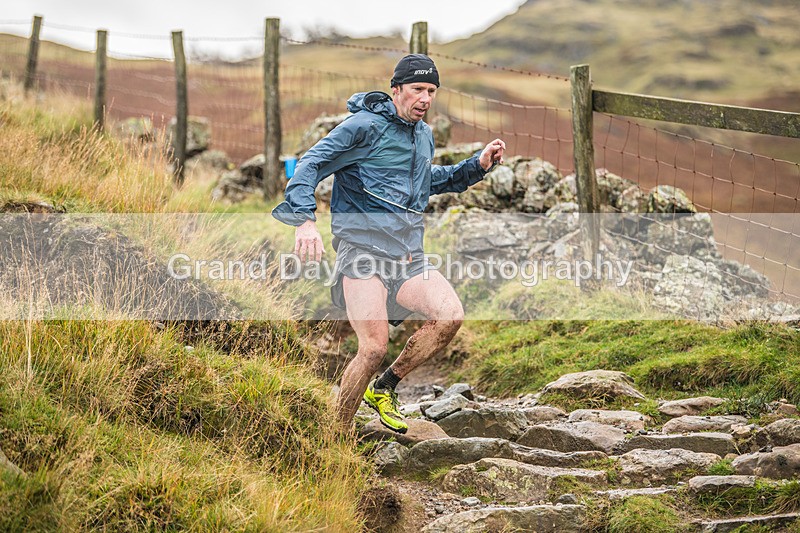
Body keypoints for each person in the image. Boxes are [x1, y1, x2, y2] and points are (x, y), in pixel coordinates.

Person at [272, 53, 505, 433]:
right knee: (373, 348)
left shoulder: (423, 134)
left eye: (432, 91)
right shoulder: (362, 127)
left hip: (408, 255)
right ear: (396, 90)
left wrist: (475, 166)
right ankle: (335, 438)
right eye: (418, 89)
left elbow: (429, 181)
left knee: (450, 316)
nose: (426, 98)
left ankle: (385, 388)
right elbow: (310, 163)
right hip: (362, 252)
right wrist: (304, 220)